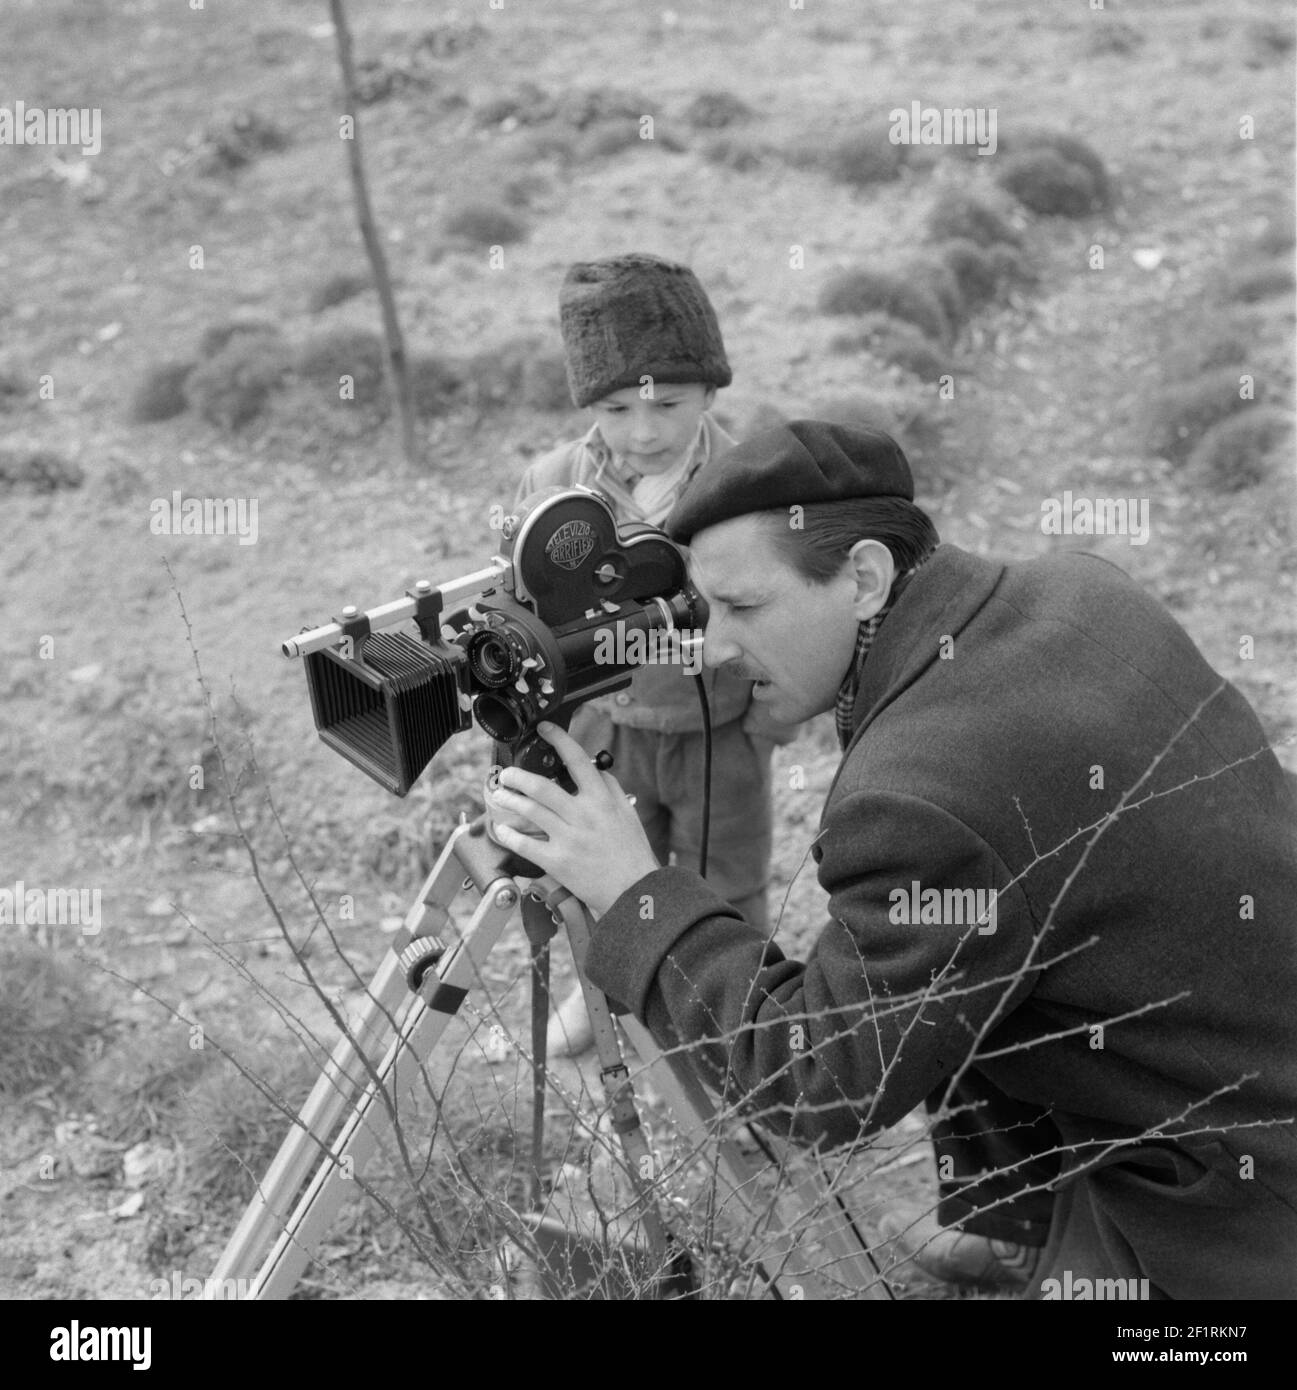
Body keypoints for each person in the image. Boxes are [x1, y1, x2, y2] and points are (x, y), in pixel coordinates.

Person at [485, 419, 1297, 1299]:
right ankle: (1027, 1225)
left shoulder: (926, 795)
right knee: (971, 948)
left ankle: (1128, 1267)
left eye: (744, 607)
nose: (710, 648)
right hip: (1239, 1026)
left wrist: (636, 893)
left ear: (865, 577)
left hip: (1245, 1178)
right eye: (702, 608)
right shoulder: (1073, 589)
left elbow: (816, 1083)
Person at [513, 252, 795, 1057]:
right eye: (613, 406)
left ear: (710, 390)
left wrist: (765, 726)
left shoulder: (752, 482)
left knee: (723, 885)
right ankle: (605, 988)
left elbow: (784, 619)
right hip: (607, 732)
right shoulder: (554, 483)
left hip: (722, 738)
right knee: (603, 872)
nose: (642, 431)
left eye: (667, 403)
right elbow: (526, 609)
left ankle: (728, 1030)